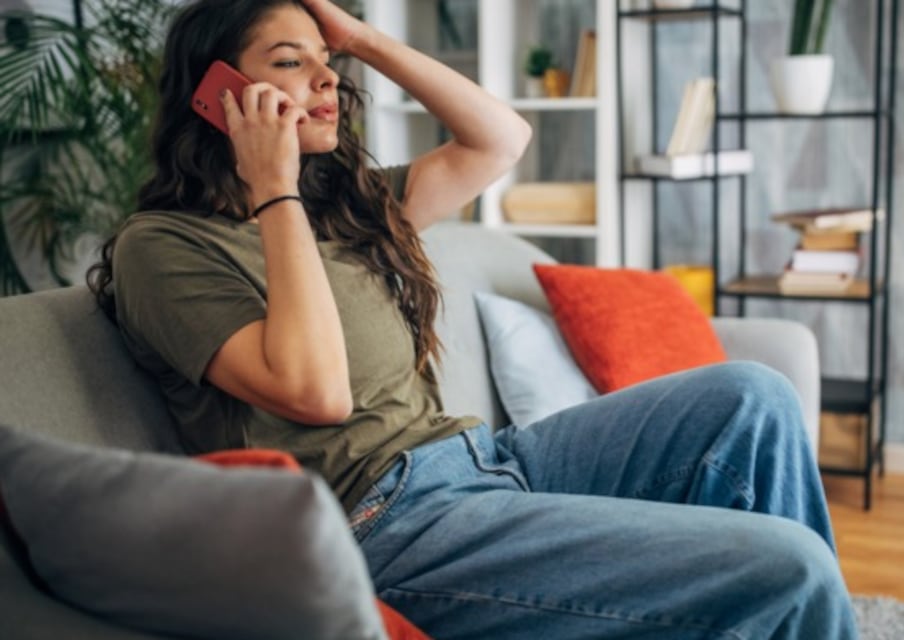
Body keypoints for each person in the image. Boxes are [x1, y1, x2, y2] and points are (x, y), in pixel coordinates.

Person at [88, 0, 859, 637]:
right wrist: (273, 187)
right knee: (791, 568)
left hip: (486, 462)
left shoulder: (344, 208)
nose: (328, 76)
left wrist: (362, 38)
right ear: (217, 93)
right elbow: (316, 391)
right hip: (387, 525)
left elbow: (501, 139)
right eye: (292, 60)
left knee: (753, 398)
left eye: (329, 58)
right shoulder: (162, 247)